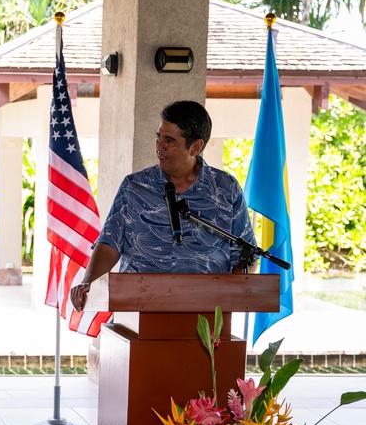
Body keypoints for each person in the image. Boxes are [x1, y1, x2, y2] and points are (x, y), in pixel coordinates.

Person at [70, 100, 255, 311]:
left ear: (196, 147)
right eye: (159, 137)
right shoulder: (135, 186)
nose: (160, 146)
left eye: (169, 140)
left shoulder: (226, 189)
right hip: (137, 312)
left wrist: (229, 303)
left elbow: (244, 254)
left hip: (205, 317)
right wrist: (88, 281)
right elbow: (109, 243)